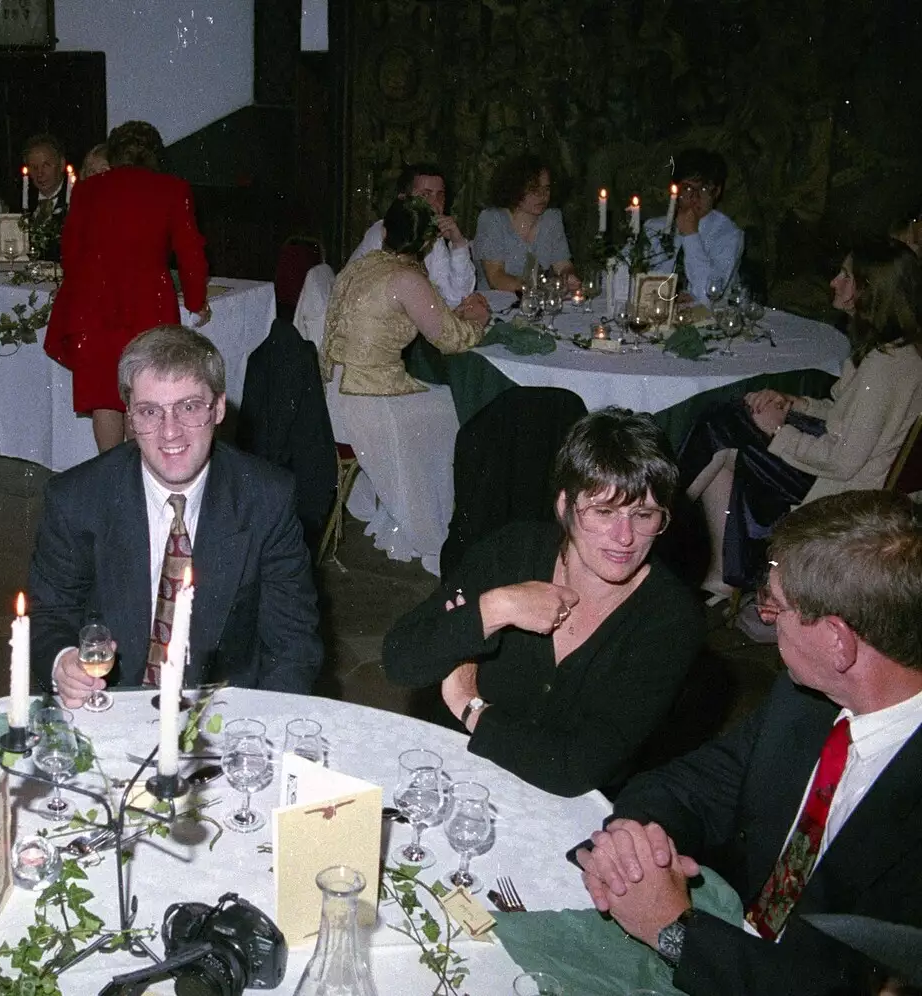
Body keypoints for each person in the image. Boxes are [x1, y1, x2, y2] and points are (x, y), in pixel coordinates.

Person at [573, 489, 922, 996]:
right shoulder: (806, 699)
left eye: (775, 607)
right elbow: (694, 784)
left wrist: (675, 931)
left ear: (837, 641)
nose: (764, 618)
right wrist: (634, 840)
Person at [381, 408, 703, 796]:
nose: (625, 537)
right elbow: (400, 661)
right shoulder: (511, 553)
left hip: (567, 806)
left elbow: (575, 768)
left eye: (644, 514)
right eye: (603, 511)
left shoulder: (670, 618)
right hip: (462, 772)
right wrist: (496, 608)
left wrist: (469, 705)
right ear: (564, 507)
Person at [29, 326, 322, 702]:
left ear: (217, 408)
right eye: (150, 411)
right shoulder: (77, 498)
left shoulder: (266, 498)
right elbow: (49, 612)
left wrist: (260, 732)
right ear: (130, 418)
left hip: (223, 710)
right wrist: (63, 661)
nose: (170, 432)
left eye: (188, 407)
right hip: (113, 705)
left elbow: (293, 644)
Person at [679, 237, 922, 598]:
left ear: (869, 291)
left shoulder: (885, 368)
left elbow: (843, 461)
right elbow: (847, 414)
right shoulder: (899, 351)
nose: (834, 283)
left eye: (845, 276)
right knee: (730, 420)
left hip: (843, 489)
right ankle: (718, 572)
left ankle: (659, 520)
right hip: (846, 470)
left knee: (721, 427)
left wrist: (779, 432)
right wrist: (794, 404)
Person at [44, 121, 210, 451]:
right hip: (149, 309)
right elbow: (191, 255)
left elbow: (71, 254)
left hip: (93, 309)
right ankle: (138, 483)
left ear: (115, 153)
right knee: (143, 397)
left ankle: (111, 481)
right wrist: (196, 302)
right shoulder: (173, 189)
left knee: (106, 399)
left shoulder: (88, 190)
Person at [323, 197, 488, 397]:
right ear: (427, 242)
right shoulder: (408, 279)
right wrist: (480, 318)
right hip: (371, 395)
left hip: (331, 388)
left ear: (384, 232)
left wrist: (453, 315)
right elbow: (453, 341)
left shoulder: (360, 265)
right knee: (454, 402)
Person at [347, 163, 489, 320]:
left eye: (440, 196)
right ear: (403, 199)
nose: (435, 204)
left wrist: (458, 243)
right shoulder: (388, 234)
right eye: (425, 195)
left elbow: (456, 297)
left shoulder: (432, 238)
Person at [643, 149, 744, 299]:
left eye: (703, 189)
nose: (695, 197)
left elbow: (709, 294)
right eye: (688, 188)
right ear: (676, 190)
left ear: (716, 191)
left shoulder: (729, 236)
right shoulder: (654, 227)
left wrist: (691, 235)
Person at [472, 153, 580, 293]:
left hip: (537, 302)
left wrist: (568, 277)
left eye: (546, 188)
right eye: (534, 189)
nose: (543, 196)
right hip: (496, 305)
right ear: (515, 189)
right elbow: (496, 278)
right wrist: (539, 288)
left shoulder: (552, 219)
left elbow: (563, 265)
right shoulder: (493, 219)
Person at [22, 133, 70, 261]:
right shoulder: (22, 201)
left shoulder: (76, 200)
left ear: (61, 164)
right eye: (34, 167)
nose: (40, 174)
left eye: (46, 165)